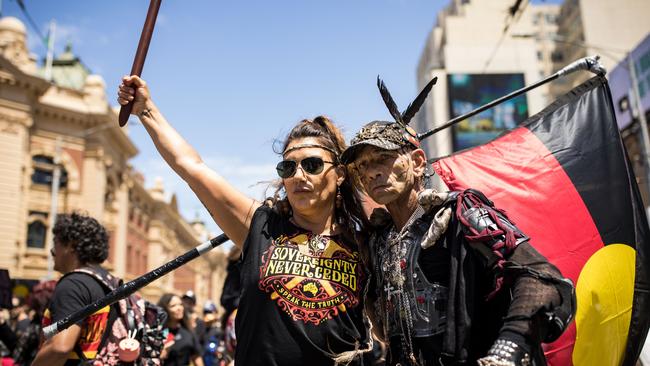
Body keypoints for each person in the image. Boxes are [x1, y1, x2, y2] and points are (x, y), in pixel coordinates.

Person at [118, 76, 371, 365]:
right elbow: (193, 168)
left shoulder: (364, 245)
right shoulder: (260, 226)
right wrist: (147, 109)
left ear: (339, 174)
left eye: (312, 165)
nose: (299, 176)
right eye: (288, 167)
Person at [340, 78, 575, 365]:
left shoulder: (460, 216)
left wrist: (508, 346)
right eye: (362, 165)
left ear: (416, 162)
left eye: (383, 158)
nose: (372, 171)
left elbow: (542, 276)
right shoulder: (378, 240)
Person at [32, 212, 113, 366]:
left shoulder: (73, 284)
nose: (52, 252)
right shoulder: (109, 282)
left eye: (55, 243)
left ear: (71, 245)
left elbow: (60, 347)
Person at [158, 293, 204, 366]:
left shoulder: (188, 331)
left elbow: (196, 357)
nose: (179, 308)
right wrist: (161, 355)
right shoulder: (160, 332)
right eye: (173, 306)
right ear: (165, 309)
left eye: (180, 304)